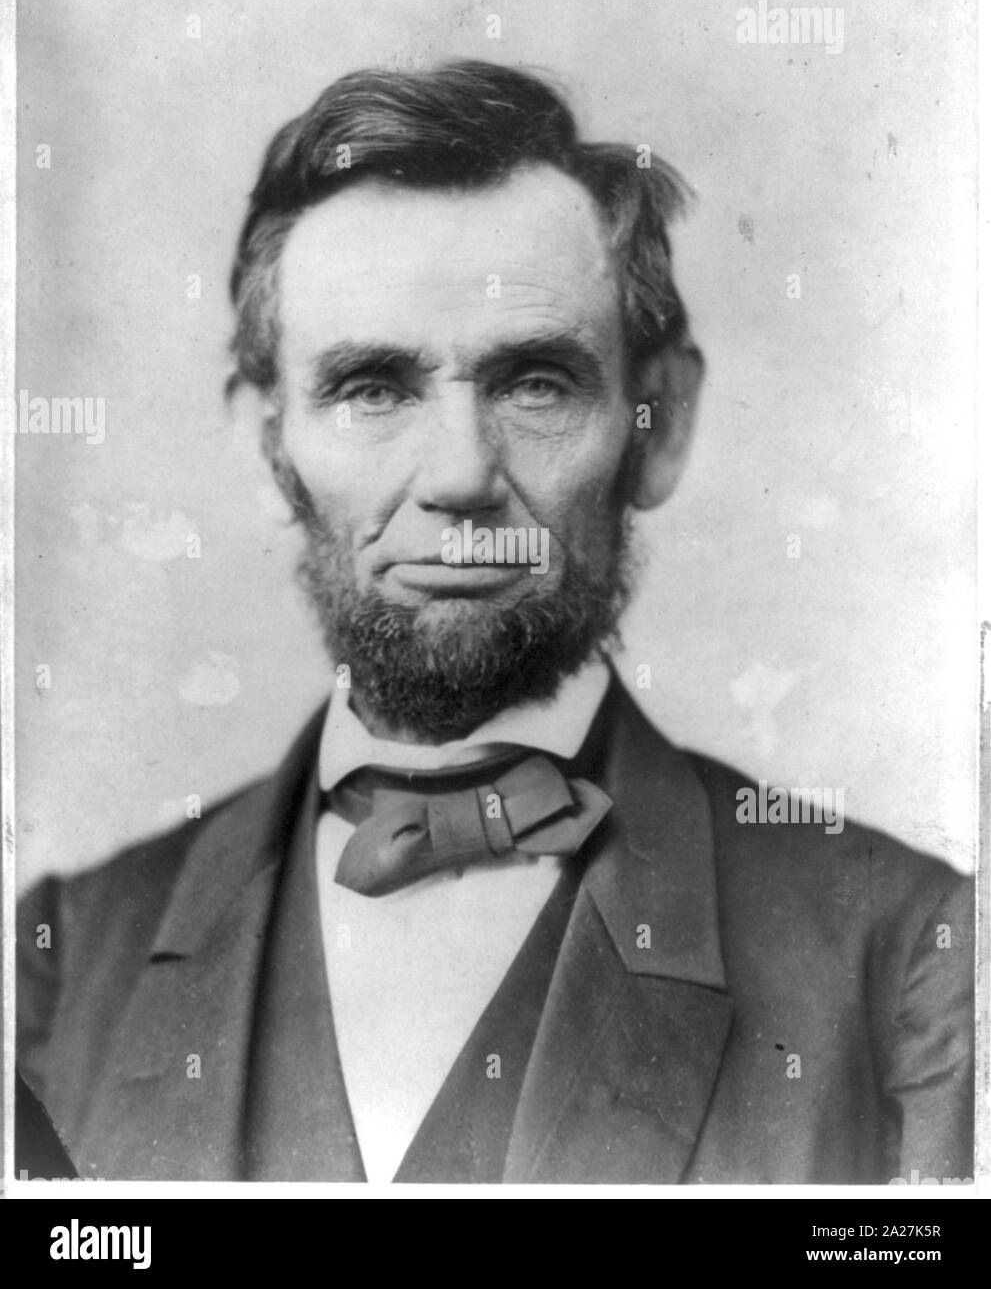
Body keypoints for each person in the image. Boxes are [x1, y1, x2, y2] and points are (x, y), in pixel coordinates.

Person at [17, 61, 974, 1184]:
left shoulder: (913, 954)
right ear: (264, 445)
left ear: (656, 428)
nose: (460, 477)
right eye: (373, 388)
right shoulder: (59, 963)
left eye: (534, 382)